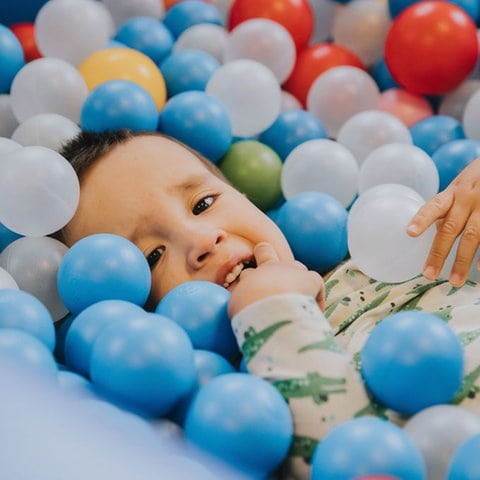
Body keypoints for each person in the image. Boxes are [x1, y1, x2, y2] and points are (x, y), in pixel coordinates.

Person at [57, 129, 480, 479]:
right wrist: (273, 312)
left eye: (203, 204)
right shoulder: (243, 409)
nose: (202, 241)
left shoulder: (379, 250)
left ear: (246, 196)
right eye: (151, 256)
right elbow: (356, 462)